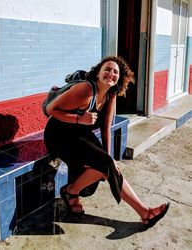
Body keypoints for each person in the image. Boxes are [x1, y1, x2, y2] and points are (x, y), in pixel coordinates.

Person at [43, 56, 169, 228]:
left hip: (80, 133)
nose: (111, 74)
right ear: (98, 73)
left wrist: (109, 156)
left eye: (115, 72)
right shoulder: (86, 90)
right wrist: (80, 118)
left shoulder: (111, 95)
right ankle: (144, 212)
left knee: (107, 166)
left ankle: (71, 191)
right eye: (107, 69)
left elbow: (105, 127)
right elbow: (51, 110)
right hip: (59, 134)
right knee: (105, 165)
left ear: (120, 78)